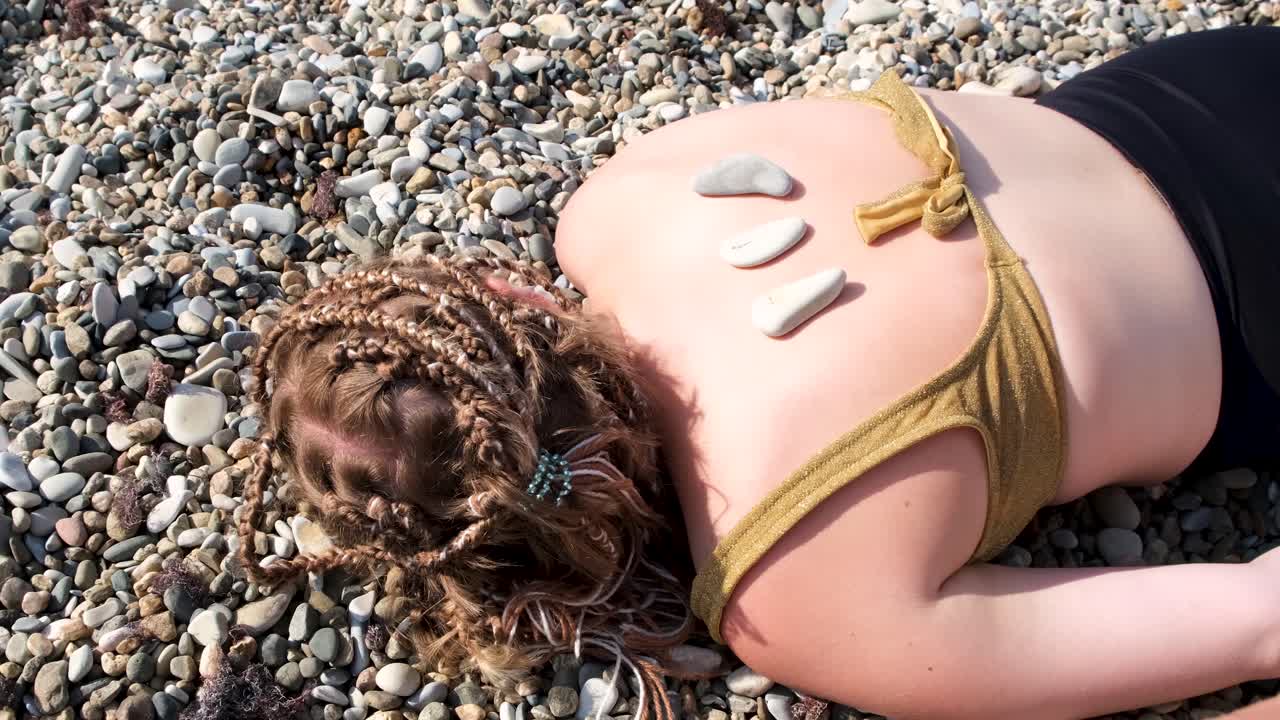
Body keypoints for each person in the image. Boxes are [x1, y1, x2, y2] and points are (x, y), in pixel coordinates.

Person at [236, 24, 1280, 720]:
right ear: (503, 302)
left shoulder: (792, 588)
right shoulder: (615, 199)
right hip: (1194, 84)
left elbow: (1258, 618)